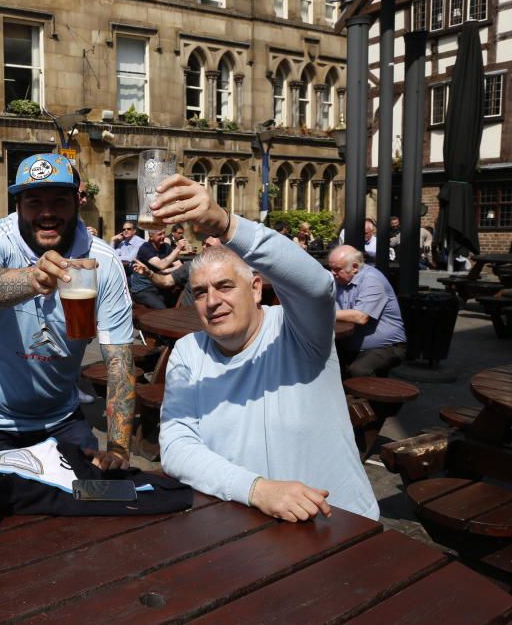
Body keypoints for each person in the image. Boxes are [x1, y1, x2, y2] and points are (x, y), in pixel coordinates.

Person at [153, 174, 378, 522]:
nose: (212, 301)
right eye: (200, 292)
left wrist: (228, 225)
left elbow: (316, 286)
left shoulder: (297, 331)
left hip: (337, 521)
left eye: (225, 286)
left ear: (256, 288)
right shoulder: (188, 352)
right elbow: (176, 447)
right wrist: (255, 488)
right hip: (246, 524)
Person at [0, 153, 135, 469]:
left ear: (78, 200)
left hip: (60, 418)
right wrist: (32, 278)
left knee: (95, 494)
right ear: (18, 207)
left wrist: (118, 448)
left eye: (60, 201)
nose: (47, 213)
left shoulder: (103, 262)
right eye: (34, 202)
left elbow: (119, 361)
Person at [329, 245, 407, 378]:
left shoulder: (372, 280)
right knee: (323, 363)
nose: (332, 273)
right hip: (349, 343)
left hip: (386, 346)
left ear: (354, 267)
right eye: (331, 268)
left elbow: (360, 317)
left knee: (359, 371)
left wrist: (322, 313)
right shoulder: (338, 280)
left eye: (337, 269)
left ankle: (375, 398)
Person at [130, 228, 183, 309]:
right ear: (151, 236)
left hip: (159, 285)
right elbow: (161, 265)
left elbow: (180, 266)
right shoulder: (145, 248)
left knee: (179, 299)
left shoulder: (166, 247)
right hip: (143, 288)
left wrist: (165, 271)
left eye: (164, 233)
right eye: (159, 234)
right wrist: (178, 249)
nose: (163, 236)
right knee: (162, 308)